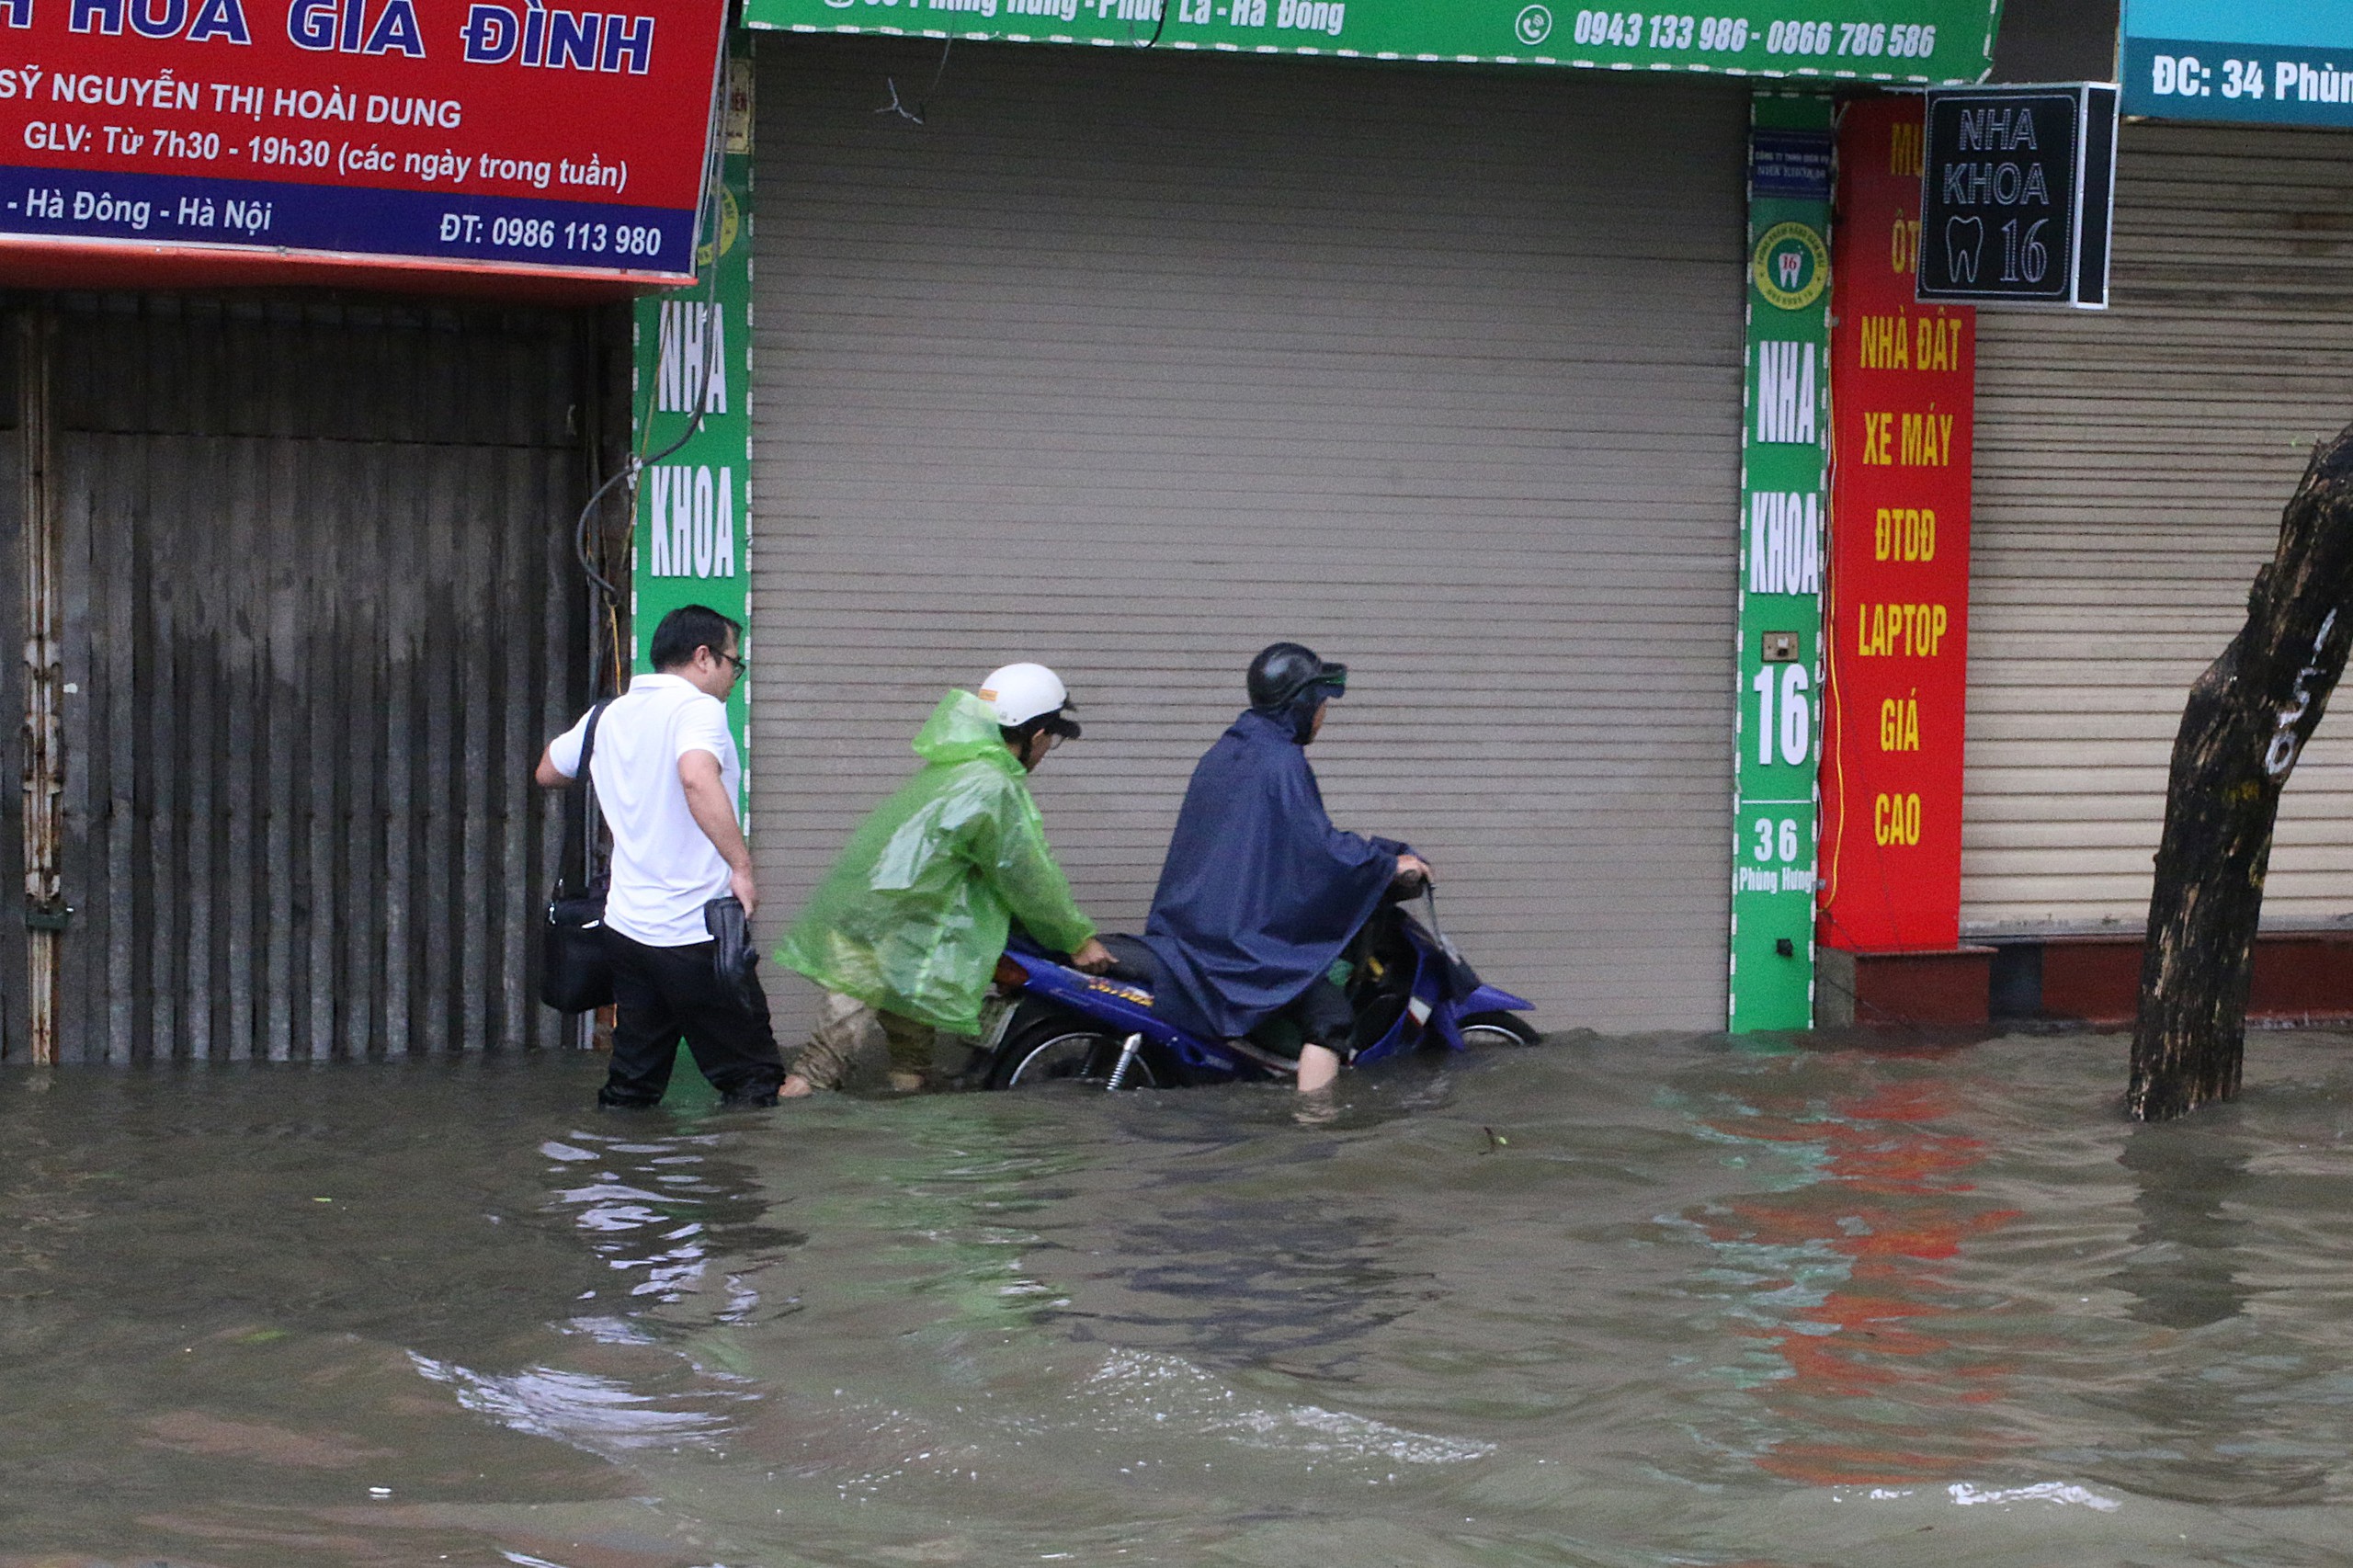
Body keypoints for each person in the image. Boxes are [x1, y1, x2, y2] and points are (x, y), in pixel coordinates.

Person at [776, 664, 1114, 1095]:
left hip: (893, 932)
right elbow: (1027, 875)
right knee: (819, 1068)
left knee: (911, 1063)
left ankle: (906, 1147)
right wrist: (1078, 939)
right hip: (878, 933)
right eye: (1052, 740)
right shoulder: (991, 786)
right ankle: (777, 1131)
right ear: (1038, 736)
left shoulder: (952, 767)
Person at [1142, 642, 1433, 1094]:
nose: (1322, 716)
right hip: (1238, 947)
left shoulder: (1227, 752)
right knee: (1331, 1020)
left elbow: (1273, 845)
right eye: (1319, 704)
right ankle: (1313, 1129)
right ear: (1300, 704)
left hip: (1189, 933)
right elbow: (1316, 849)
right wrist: (1385, 862)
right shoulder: (1281, 761)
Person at [535, 604, 785, 1108]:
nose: (734, 677)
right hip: (694, 933)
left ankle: (621, 1177)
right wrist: (741, 865)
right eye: (733, 663)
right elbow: (696, 776)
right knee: (753, 1081)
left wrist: (623, 773)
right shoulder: (698, 709)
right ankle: (728, 1185)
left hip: (627, 932)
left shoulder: (608, 714)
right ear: (702, 657)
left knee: (632, 1085)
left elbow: (548, 772)